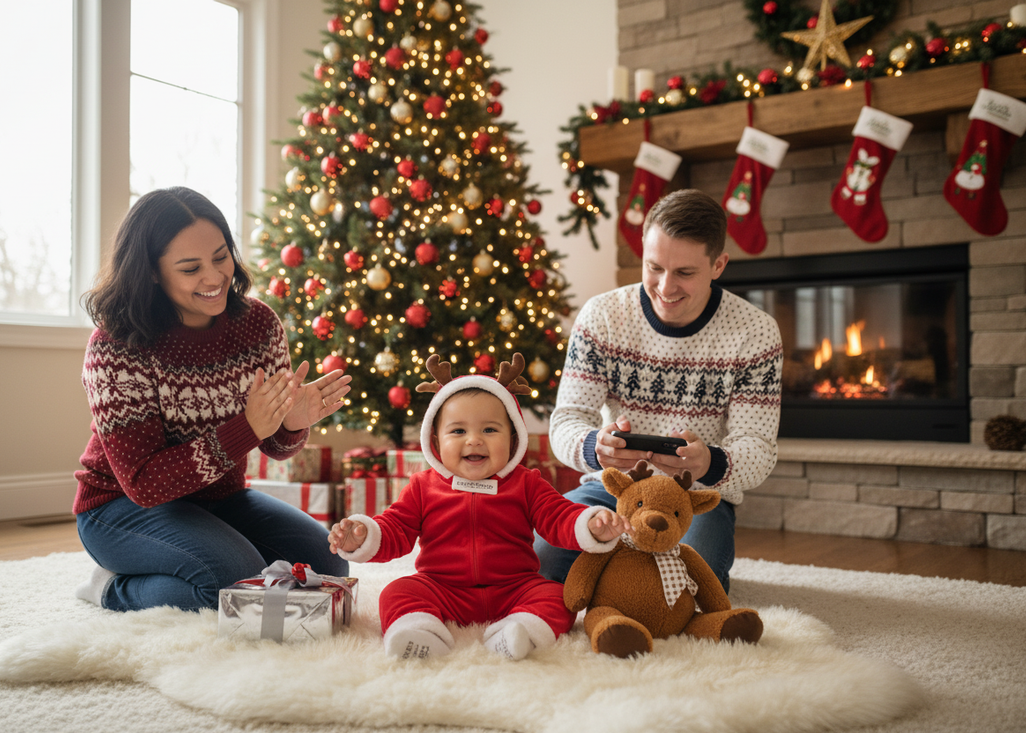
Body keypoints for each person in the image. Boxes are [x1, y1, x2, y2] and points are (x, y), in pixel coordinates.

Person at [73, 186, 352, 612]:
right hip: (119, 508)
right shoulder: (116, 345)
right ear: (150, 271)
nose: (214, 277)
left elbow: (276, 448)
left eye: (221, 257)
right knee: (235, 583)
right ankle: (113, 590)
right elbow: (145, 485)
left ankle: (193, 557)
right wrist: (248, 428)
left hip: (219, 498)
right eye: (190, 268)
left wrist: (291, 422)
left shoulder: (258, 324)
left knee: (326, 564)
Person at [535, 189, 783, 593]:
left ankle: (615, 573)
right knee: (540, 559)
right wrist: (593, 447)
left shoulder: (755, 332)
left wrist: (708, 464)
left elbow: (758, 448)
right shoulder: (602, 317)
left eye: (685, 273)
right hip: (611, 486)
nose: (666, 288)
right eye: (654, 268)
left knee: (686, 587)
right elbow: (566, 421)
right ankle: (617, 570)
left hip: (695, 496)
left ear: (718, 264)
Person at [329, 354, 631, 661]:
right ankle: (418, 631)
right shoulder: (423, 486)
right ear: (435, 441)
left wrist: (590, 523)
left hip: (514, 587)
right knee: (397, 592)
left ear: (513, 440)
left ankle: (519, 631)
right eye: (458, 431)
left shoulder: (526, 483)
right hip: (442, 587)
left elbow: (559, 516)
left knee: (557, 595)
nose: (474, 440)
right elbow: (395, 529)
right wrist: (363, 535)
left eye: (489, 430)